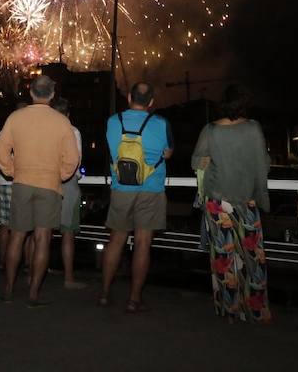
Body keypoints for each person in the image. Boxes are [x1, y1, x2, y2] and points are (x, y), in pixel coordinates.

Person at [0, 75, 80, 306]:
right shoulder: (62, 122)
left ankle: (9, 289)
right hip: (50, 186)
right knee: (43, 239)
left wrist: (13, 171)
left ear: (31, 93)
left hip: (22, 183)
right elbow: (73, 159)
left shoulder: (15, 117)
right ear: (52, 95)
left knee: (17, 236)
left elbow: (0, 151)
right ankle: (33, 294)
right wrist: (58, 175)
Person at [190, 84, 272, 322]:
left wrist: (213, 160)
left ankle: (229, 310)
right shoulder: (254, 128)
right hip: (247, 201)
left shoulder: (211, 130)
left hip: (218, 202)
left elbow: (196, 161)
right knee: (253, 258)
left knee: (224, 259)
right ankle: (256, 310)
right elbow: (263, 164)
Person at [100, 82, 173, 313]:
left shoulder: (113, 122)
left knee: (116, 241)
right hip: (151, 189)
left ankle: (103, 294)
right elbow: (168, 153)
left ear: (129, 97)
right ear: (152, 102)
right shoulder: (161, 124)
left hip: (121, 189)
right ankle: (134, 299)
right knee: (142, 243)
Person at [51, 97, 86, 290]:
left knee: (39, 232)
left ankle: (32, 274)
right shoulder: (73, 132)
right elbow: (76, 162)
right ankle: (69, 278)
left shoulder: (44, 132)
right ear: (68, 114)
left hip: (45, 183)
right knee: (68, 233)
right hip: (68, 185)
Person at [0, 101, 28, 271]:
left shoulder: (3, 133)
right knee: (25, 226)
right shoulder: (29, 133)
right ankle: (24, 264)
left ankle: (3, 262)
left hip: (6, 183)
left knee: (6, 226)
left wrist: (0, 177)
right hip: (23, 183)